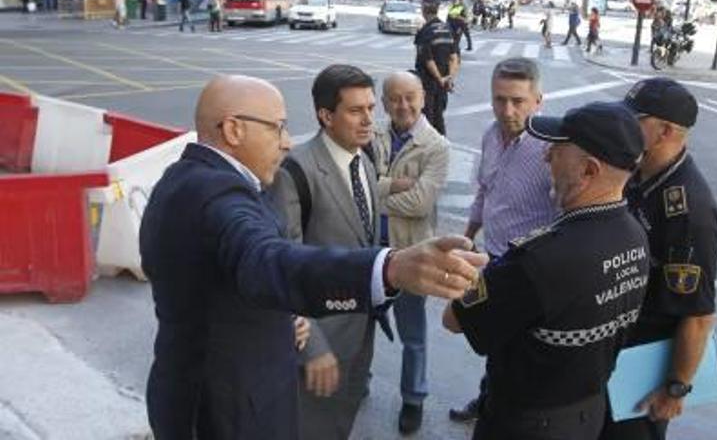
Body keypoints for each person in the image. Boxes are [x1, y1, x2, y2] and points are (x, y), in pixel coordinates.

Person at [140, 74, 486, 440]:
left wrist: (280, 318)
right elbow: (269, 259)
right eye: (278, 128)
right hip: (227, 412)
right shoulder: (219, 197)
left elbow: (214, 278)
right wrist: (389, 267)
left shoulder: (180, 179)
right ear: (233, 130)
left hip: (198, 390)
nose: (287, 142)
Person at [443, 101, 650, 440]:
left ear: (589, 170)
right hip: (588, 413)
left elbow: (454, 319)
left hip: (525, 424)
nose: (546, 157)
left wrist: (470, 275)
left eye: (558, 149)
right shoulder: (634, 233)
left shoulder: (540, 259)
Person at [266, 64, 386, 440]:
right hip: (320, 340)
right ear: (325, 115)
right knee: (311, 427)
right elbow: (284, 265)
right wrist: (312, 345)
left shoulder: (363, 160)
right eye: (356, 110)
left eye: (371, 107)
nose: (368, 119)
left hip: (360, 329)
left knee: (341, 421)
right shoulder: (296, 170)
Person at [598, 78, 717, 440]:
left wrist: (676, 388)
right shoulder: (638, 172)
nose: (624, 127)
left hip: (642, 368)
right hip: (614, 349)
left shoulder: (688, 210)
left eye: (634, 120)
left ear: (665, 131)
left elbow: (697, 315)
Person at [449, 57, 557, 422]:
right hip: (492, 257)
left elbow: (566, 213)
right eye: (499, 99)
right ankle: (489, 400)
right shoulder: (490, 136)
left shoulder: (551, 150)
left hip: (530, 268)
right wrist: (466, 237)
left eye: (517, 101)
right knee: (496, 341)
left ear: (538, 101)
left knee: (523, 347)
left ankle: (512, 412)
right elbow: (485, 190)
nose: (507, 110)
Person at [372, 72, 451, 434]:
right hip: (370, 253)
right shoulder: (371, 135)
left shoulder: (436, 146)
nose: (402, 105)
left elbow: (420, 203)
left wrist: (375, 195)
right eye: (394, 98)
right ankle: (359, 380)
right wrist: (390, 186)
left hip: (410, 255)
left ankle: (413, 399)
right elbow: (353, 185)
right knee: (359, 325)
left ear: (422, 98)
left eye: (409, 97)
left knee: (413, 336)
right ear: (384, 102)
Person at [413, 0, 459, 136]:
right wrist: (449, 79)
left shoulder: (425, 31)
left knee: (427, 119)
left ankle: (430, 150)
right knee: (439, 117)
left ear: (423, 10)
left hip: (428, 83)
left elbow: (428, 60)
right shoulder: (447, 29)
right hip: (443, 84)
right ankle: (441, 147)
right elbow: (454, 57)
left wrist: (439, 79)